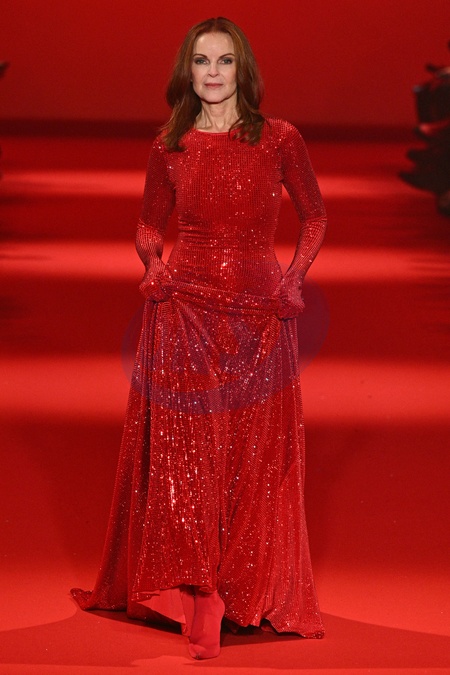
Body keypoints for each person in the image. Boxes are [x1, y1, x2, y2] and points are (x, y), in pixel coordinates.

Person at [71, 16, 327, 660]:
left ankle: (239, 586)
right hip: (184, 309)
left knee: (249, 456)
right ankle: (199, 592)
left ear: (245, 70)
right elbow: (147, 225)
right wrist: (153, 264)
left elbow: (315, 216)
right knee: (187, 456)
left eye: (225, 61)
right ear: (187, 72)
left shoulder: (278, 138)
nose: (213, 73)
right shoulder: (170, 144)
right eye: (202, 61)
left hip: (259, 315)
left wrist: (293, 279)